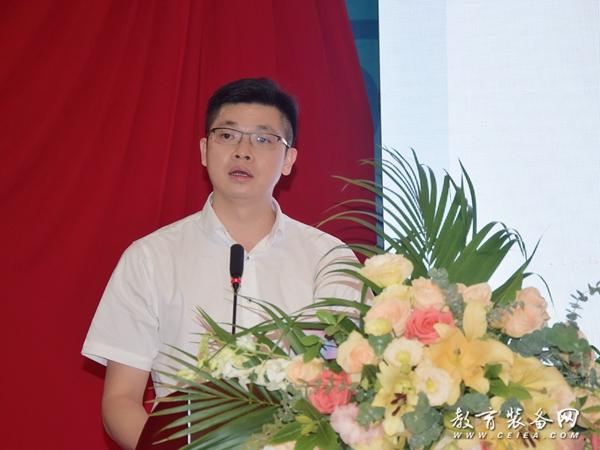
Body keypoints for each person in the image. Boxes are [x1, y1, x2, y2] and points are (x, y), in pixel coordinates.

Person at [82, 78, 359, 450]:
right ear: (204, 149)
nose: (243, 151)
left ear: (289, 160)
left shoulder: (329, 259)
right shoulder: (150, 258)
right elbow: (121, 399)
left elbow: (360, 386)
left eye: (263, 139)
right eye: (227, 136)